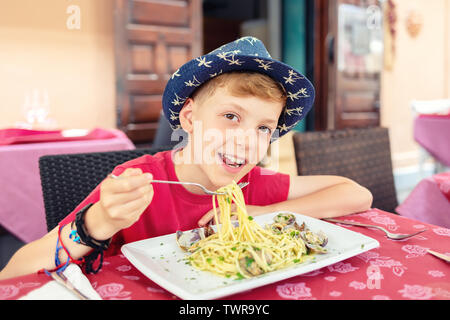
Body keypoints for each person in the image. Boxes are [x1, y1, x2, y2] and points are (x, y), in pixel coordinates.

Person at [0, 37, 372, 280]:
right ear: (191, 118)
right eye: (231, 117)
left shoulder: (251, 184)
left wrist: (264, 213)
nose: (246, 141)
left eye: (263, 128)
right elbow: (14, 271)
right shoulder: (139, 179)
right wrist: (95, 223)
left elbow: (356, 194)